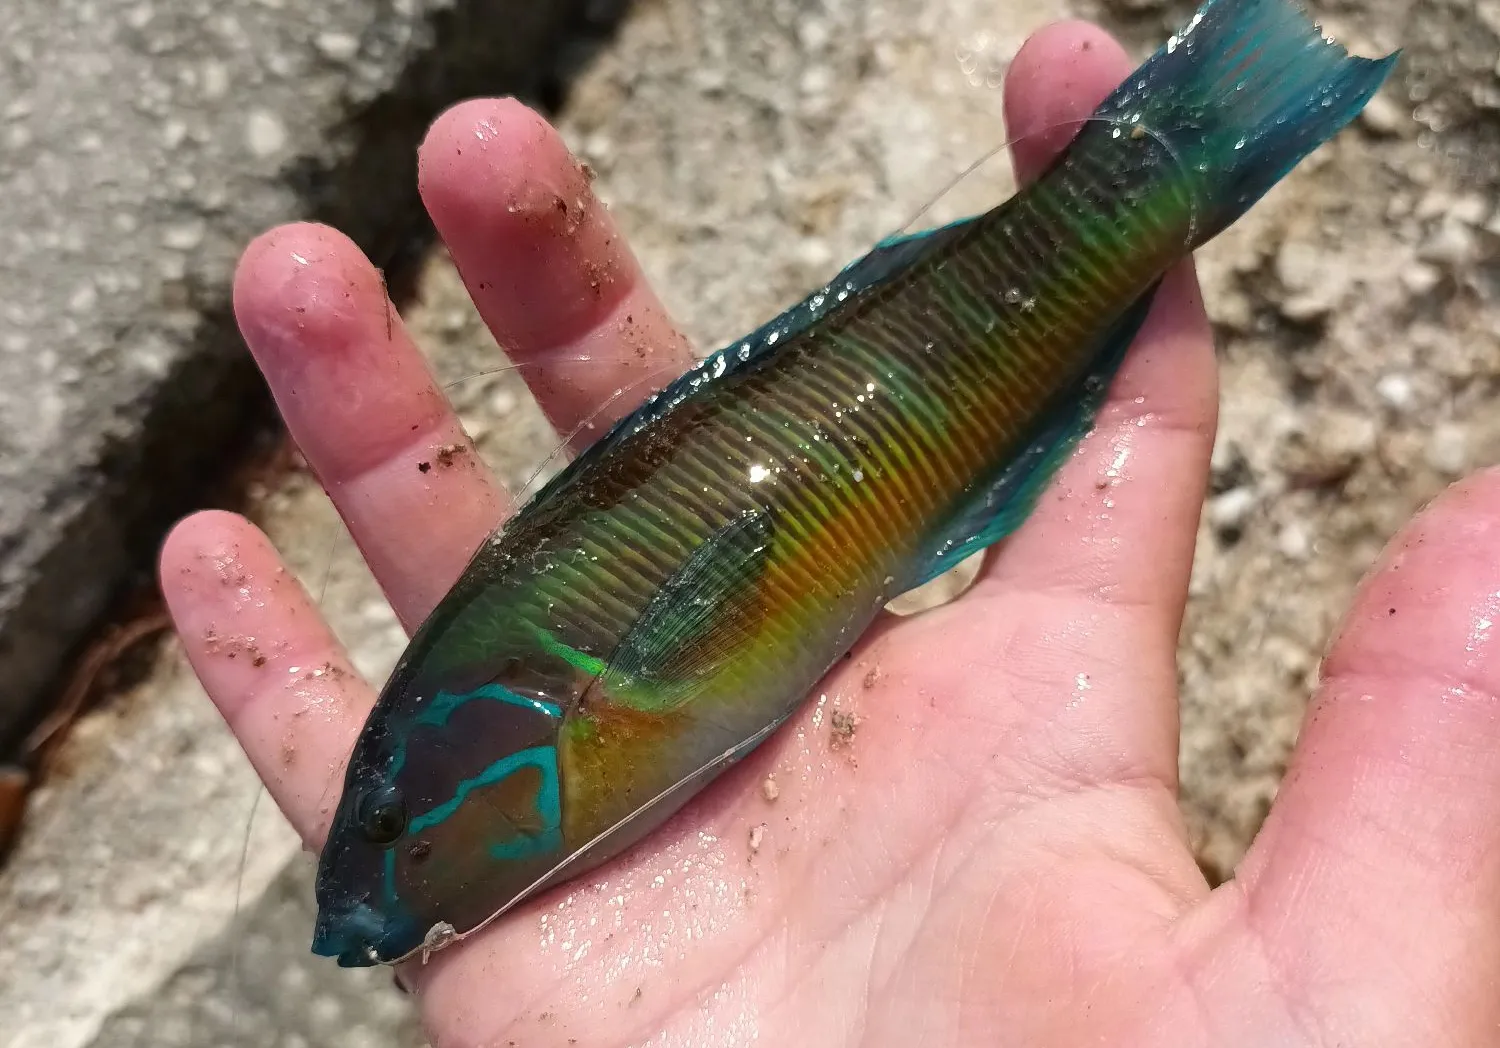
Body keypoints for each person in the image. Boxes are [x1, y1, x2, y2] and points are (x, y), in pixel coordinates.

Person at [159, 20, 1500, 1046]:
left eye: (396, 828)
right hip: (874, 467)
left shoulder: (572, 709)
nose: (390, 882)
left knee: (1081, 259)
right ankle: (1168, 159)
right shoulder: (553, 745)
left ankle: (1175, 151)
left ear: (511, 724)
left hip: (897, 429)